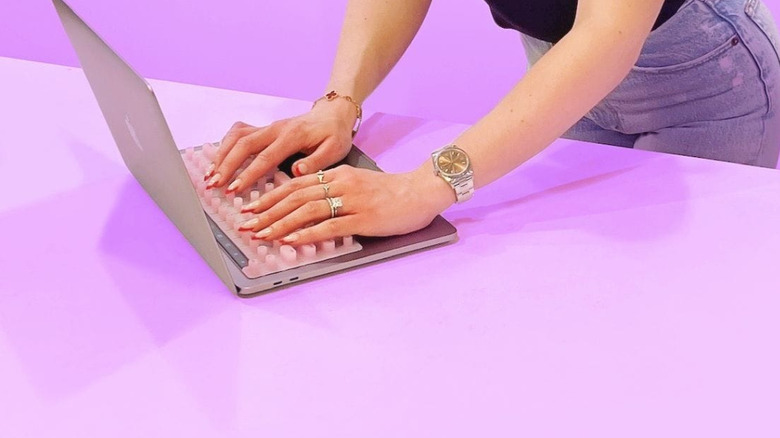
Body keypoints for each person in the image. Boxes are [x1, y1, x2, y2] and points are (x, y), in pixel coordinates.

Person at [202, 0, 780, 245]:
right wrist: (339, 101)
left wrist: (425, 186)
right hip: (566, 72)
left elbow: (608, 33)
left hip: (706, 79)